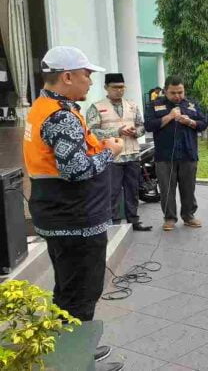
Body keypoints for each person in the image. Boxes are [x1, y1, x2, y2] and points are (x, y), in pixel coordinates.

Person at [23, 46, 124, 371]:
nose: (90, 81)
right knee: (81, 293)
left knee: (68, 291)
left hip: (61, 216)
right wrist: (111, 152)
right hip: (75, 220)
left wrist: (103, 143)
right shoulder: (61, 116)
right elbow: (76, 169)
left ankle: (71, 350)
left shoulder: (46, 106)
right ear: (66, 77)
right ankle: (75, 362)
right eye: (86, 75)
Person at [86, 73, 152, 232]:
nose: (119, 90)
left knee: (133, 190)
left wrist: (136, 132)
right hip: (111, 157)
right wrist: (117, 131)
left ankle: (133, 220)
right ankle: (113, 222)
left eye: (122, 87)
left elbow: (142, 126)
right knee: (112, 191)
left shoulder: (132, 105)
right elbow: (91, 132)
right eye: (115, 87)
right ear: (106, 88)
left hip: (132, 154)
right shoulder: (97, 107)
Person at [144, 75, 207, 231]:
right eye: (173, 93)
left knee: (188, 188)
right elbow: (149, 125)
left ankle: (189, 216)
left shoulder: (192, 104)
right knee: (167, 189)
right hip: (164, 155)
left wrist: (190, 122)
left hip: (188, 153)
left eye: (180, 92)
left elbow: (203, 123)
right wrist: (169, 117)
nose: (178, 96)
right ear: (165, 91)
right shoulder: (155, 105)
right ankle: (169, 218)